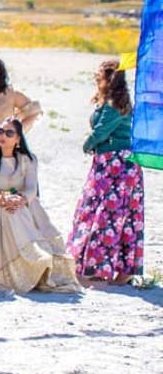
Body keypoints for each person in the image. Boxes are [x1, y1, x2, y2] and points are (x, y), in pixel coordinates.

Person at [0, 117, 79, 293]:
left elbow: (32, 188)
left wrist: (21, 199)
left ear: (18, 139)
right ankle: (32, 261)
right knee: (8, 212)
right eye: (0, 131)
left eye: (9, 133)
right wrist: (0, 199)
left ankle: (40, 260)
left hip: (27, 205)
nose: (3, 136)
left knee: (18, 210)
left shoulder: (28, 159)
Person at [68, 60, 144, 286]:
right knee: (122, 215)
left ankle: (99, 269)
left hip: (115, 164)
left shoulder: (113, 104)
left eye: (99, 76)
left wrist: (87, 143)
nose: (96, 79)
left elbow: (102, 131)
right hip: (116, 163)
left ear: (109, 79)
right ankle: (121, 270)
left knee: (106, 215)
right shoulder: (114, 101)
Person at [0, 57, 42, 149]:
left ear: (0, 73)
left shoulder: (10, 94)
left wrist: (16, 133)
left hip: (0, 149)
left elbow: (35, 111)